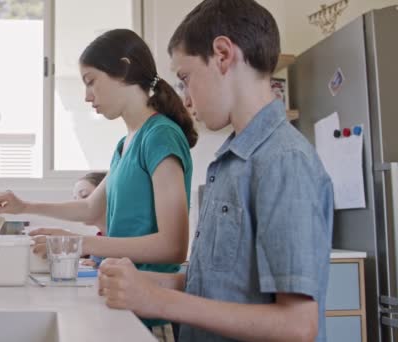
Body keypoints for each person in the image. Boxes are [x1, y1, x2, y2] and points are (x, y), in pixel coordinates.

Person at [97, 1, 334, 341]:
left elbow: (297, 326)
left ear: (223, 55)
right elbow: (217, 287)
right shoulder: (230, 163)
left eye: (185, 77)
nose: (185, 98)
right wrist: (142, 283)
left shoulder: (283, 161)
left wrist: (158, 300)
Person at [0, 28, 196, 331]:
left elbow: (172, 246)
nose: (87, 96)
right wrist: (24, 206)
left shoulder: (160, 136)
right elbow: (89, 210)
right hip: (122, 300)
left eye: (91, 81)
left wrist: (77, 243)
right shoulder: (125, 145)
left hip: (150, 311)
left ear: (123, 68)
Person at [72, 172, 107, 267]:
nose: (77, 204)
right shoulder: (100, 237)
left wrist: (98, 265)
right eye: (75, 199)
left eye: (84, 196)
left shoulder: (125, 237)